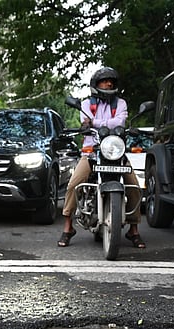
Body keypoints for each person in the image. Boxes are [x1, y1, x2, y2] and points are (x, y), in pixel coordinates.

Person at [58, 66, 145, 249]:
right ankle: (68, 227)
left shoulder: (121, 103)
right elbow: (86, 122)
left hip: (116, 152)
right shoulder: (85, 104)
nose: (109, 83)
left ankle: (134, 229)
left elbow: (119, 122)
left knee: (134, 186)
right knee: (74, 184)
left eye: (111, 81)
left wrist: (96, 122)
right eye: (104, 81)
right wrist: (96, 125)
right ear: (96, 84)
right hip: (91, 151)